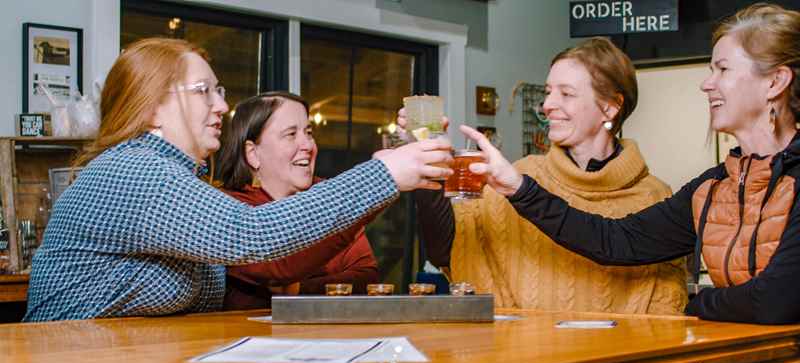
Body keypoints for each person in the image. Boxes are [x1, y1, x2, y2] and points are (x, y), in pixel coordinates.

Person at [466, 4, 800, 363]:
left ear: (775, 82)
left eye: (721, 69)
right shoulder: (714, 186)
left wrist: (699, 303)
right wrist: (516, 187)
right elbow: (615, 240)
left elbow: (777, 300)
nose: (707, 83)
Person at [24, 38, 452, 322]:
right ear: (152, 108)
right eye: (203, 91)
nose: (222, 106)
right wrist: (383, 174)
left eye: (220, 91)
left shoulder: (175, 175)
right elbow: (251, 234)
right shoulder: (133, 170)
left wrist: (391, 166)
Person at [410, 37, 686, 314]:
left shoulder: (654, 196)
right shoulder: (516, 177)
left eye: (566, 93)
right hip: (525, 355)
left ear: (610, 106)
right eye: (548, 92)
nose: (547, 105)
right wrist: (430, 161)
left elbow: (666, 302)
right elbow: (448, 250)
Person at [216, 92, 379, 309]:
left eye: (309, 133)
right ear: (253, 153)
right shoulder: (231, 208)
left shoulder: (327, 195)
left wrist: (299, 289)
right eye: (291, 134)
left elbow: (367, 277)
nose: (308, 146)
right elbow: (275, 269)